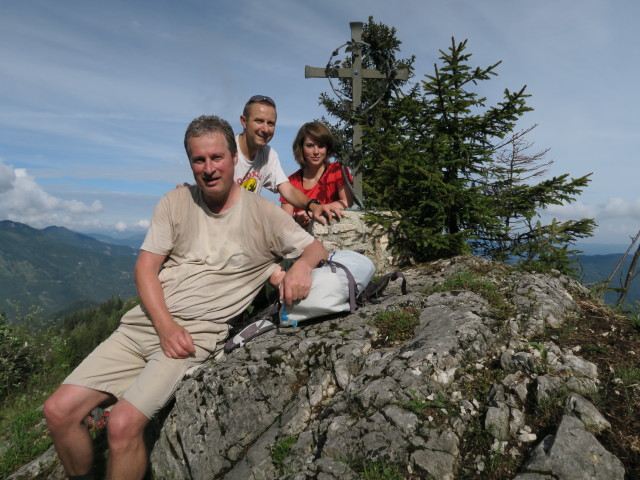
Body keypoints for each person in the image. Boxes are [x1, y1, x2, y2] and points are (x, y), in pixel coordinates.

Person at [43, 115, 328, 480]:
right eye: (198, 160)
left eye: (217, 158)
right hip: (146, 324)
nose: (208, 169)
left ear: (233, 159)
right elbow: (144, 270)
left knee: (121, 426)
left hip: (195, 334)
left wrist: (302, 267)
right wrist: (164, 326)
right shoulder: (175, 202)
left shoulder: (263, 215)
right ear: (190, 162)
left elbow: (314, 247)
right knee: (58, 410)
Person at [235, 95, 345, 225]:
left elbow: (288, 190)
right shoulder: (226, 151)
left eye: (270, 123)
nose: (265, 129)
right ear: (243, 121)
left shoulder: (268, 155)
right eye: (259, 121)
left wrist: (314, 206)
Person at [280, 121, 354, 228]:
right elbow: (285, 222)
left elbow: (347, 202)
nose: (316, 151)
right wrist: (296, 222)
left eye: (321, 146)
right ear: (300, 148)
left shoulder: (337, 170)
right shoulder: (290, 182)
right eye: (310, 146)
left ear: (327, 148)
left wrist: (315, 211)